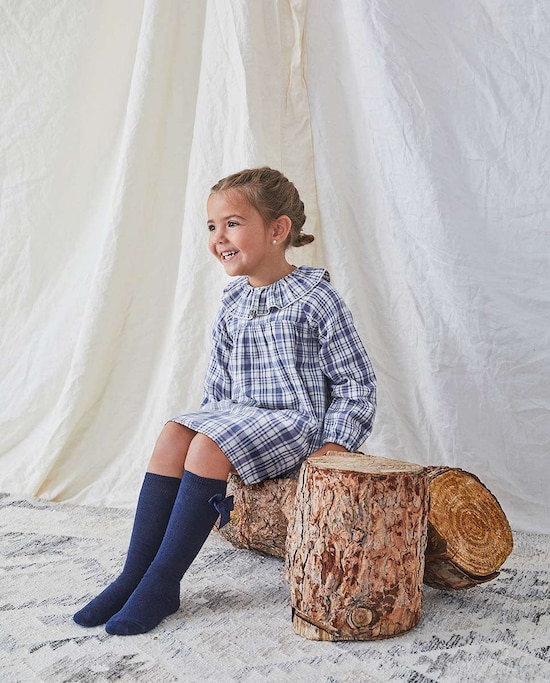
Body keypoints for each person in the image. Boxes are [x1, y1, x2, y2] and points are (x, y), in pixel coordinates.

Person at [73, 167, 376, 635]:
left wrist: (336, 444)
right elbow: (218, 386)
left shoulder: (317, 300)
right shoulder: (233, 301)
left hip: (297, 423)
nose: (218, 237)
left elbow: (356, 383)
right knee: (175, 433)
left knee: (209, 445)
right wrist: (202, 424)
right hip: (241, 418)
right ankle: (134, 574)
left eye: (232, 223)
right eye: (212, 226)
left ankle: (162, 583)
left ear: (277, 230)